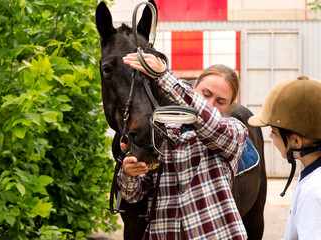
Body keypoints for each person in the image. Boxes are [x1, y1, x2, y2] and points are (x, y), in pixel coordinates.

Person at [118, 53, 248, 239]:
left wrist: (163, 75)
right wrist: (129, 173)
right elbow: (133, 195)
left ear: (229, 107)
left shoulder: (234, 132)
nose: (210, 104)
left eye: (220, 102)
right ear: (194, 88)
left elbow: (211, 122)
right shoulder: (160, 132)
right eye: (206, 94)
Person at [248, 76, 321, 240]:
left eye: (274, 131)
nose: (270, 136)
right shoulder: (312, 176)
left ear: (295, 141)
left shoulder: (314, 192)